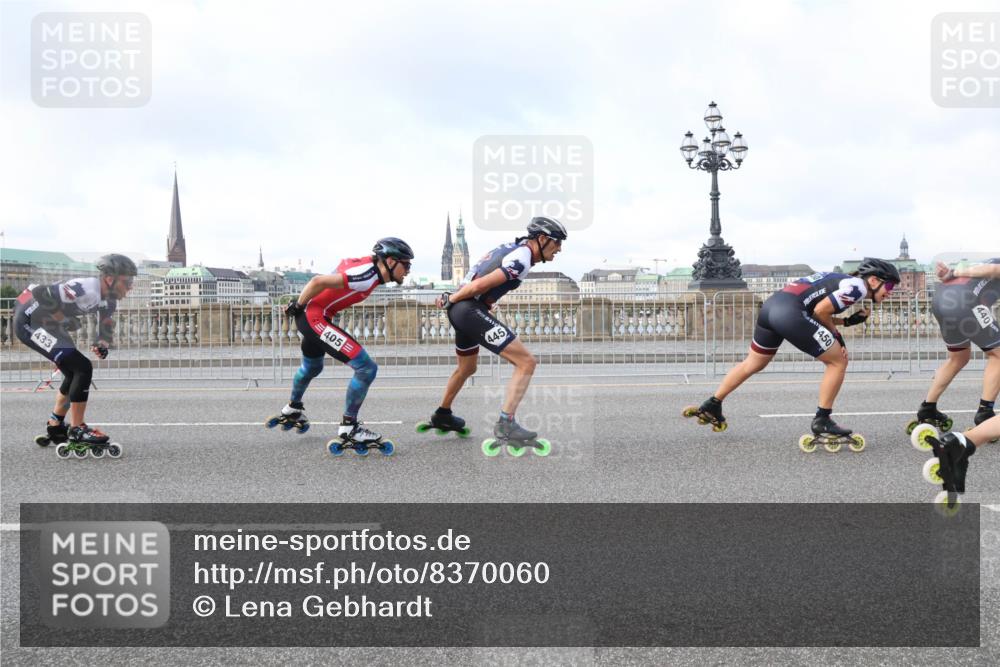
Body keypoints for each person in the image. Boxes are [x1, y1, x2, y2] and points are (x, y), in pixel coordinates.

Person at [685, 258, 900, 445]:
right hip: (790, 313)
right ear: (873, 280)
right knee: (838, 362)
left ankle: (712, 404)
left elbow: (814, 312)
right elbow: (820, 311)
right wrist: (837, 337)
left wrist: (845, 321)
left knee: (753, 363)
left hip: (772, 308)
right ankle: (822, 419)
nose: (889, 292)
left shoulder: (839, 278)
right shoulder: (858, 287)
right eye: (889, 286)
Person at [425, 216, 566, 455]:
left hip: (463, 310)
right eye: (557, 243)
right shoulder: (521, 259)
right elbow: (481, 284)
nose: (559, 249)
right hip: (468, 310)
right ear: (542, 239)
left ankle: (443, 414)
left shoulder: (510, 249)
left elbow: (475, 277)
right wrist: (454, 299)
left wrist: (456, 298)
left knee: (467, 368)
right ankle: (506, 424)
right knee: (526, 362)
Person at [269, 238, 412, 451]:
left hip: (314, 316)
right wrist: (297, 306)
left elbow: (342, 264)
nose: (408, 271)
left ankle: (293, 408)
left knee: (312, 367)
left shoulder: (367, 266)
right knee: (366, 368)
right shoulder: (366, 276)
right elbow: (318, 281)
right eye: (406, 264)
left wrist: (301, 306)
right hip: (314, 317)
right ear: (390, 262)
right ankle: (349, 427)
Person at [14, 253, 136, 452]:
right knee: (82, 367)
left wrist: (101, 344)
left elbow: (105, 328)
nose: (131, 286)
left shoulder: (109, 300)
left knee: (73, 371)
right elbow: (40, 292)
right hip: (29, 322)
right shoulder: (87, 288)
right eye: (127, 281)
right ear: (110, 279)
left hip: (48, 325)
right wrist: (63, 318)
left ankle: (55, 424)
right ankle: (77, 429)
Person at [911, 258, 1000, 433]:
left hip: (941, 301)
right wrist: (955, 273)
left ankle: (928, 408)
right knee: (998, 355)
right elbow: (994, 270)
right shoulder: (993, 263)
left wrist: (952, 272)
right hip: (966, 303)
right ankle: (985, 413)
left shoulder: (982, 261)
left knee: (958, 358)